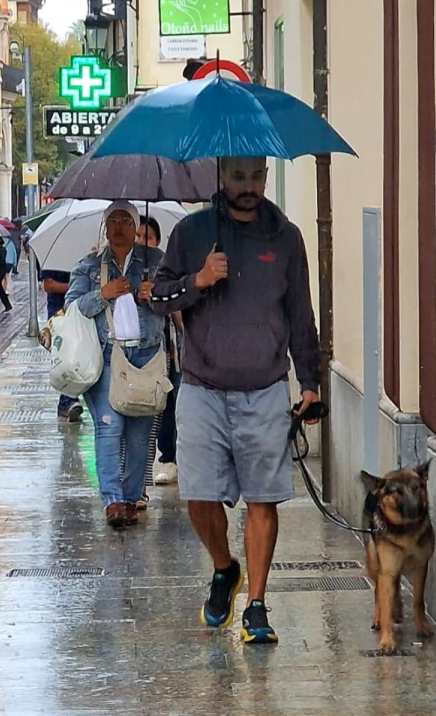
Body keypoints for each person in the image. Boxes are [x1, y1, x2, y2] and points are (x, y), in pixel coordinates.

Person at [150, 156, 322, 646]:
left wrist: (309, 381)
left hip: (265, 389)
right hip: (202, 388)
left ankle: (257, 605)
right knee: (198, 495)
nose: (248, 186)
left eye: (256, 176)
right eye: (238, 176)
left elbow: (300, 314)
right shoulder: (191, 232)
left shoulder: (285, 237)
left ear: (265, 177)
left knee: (263, 498)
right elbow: (158, 298)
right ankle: (225, 567)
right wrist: (198, 280)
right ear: (222, 177)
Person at [65, 201, 164, 530]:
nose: (119, 226)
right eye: (113, 220)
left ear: (136, 227)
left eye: (126, 220)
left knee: (139, 435)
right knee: (109, 428)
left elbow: (177, 298)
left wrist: (157, 294)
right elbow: (72, 307)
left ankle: (132, 498)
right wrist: (103, 294)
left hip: (146, 357)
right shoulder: (88, 266)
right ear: (105, 227)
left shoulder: (156, 262)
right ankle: (113, 501)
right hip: (107, 355)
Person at [137, 215, 182, 486]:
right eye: (139, 236)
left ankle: (171, 458)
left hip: (170, 352)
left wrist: (161, 298)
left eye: (149, 237)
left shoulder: (168, 268)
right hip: (141, 356)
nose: (143, 242)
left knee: (172, 405)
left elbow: (179, 311)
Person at [41, 266, 82, 422]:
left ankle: (70, 400)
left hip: (80, 311)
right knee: (67, 358)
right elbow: (49, 285)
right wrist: (77, 285)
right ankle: (67, 401)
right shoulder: (54, 261)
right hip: (60, 314)